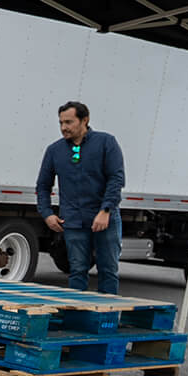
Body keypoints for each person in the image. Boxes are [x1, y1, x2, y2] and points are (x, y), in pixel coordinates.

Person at [37, 101, 125, 294]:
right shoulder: (55, 150)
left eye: (69, 122)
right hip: (73, 221)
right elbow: (43, 186)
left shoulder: (106, 142)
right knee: (77, 271)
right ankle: (77, 319)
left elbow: (116, 179)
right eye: (61, 123)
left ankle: (104, 319)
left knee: (108, 271)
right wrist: (47, 214)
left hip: (104, 219)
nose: (63, 128)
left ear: (85, 120)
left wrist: (105, 210)